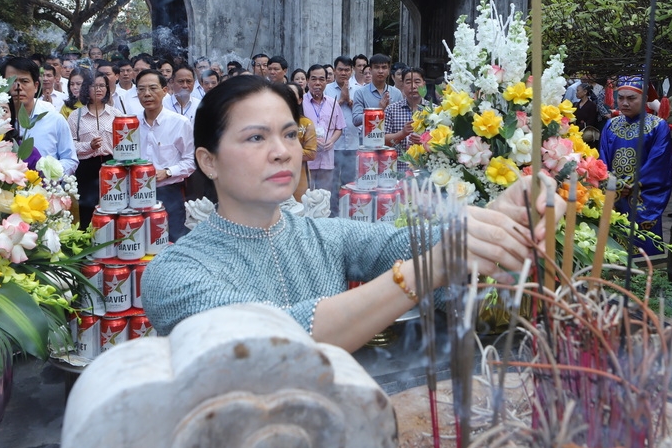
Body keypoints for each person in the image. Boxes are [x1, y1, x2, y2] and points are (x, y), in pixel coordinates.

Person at [141, 76, 562, 352]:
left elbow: (414, 241)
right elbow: (269, 340)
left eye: (290, 134)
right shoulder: (175, 272)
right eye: (256, 137)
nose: (282, 151)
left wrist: (497, 217)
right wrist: (423, 272)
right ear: (208, 161)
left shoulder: (324, 236)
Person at [599, 76, 672, 254]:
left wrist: (631, 185)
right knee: (614, 245)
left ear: (645, 98)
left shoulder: (658, 126)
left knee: (642, 244)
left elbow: (658, 162)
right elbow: (602, 159)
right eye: (621, 97)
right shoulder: (610, 125)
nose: (624, 103)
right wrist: (610, 183)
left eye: (631, 98)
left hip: (642, 195)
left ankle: (645, 277)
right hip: (613, 193)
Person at [135, 70, 196, 239]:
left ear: (165, 91)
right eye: (141, 89)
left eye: (153, 88)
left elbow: (191, 160)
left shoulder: (179, 122)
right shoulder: (130, 124)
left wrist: (168, 171)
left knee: (172, 241)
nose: (147, 94)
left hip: (169, 193)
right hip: (136, 193)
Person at [0, 57, 78, 175]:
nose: (18, 87)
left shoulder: (54, 120)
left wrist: (47, 174)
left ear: (36, 86)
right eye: (12, 81)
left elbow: (70, 160)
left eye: (24, 81)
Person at [68, 72, 121, 228]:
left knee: (112, 208)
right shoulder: (75, 116)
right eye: (94, 85)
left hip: (111, 165)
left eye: (102, 86)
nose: (98, 89)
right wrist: (89, 146)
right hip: (86, 168)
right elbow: (70, 147)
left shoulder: (115, 114)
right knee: (87, 210)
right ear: (86, 89)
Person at [325, 56, 360, 215]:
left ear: (352, 71)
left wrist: (352, 103)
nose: (343, 73)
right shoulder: (327, 90)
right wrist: (340, 101)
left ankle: (350, 213)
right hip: (333, 144)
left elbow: (362, 117)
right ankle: (332, 213)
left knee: (350, 182)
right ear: (334, 70)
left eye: (347, 70)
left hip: (353, 143)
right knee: (332, 183)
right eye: (340, 69)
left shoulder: (359, 90)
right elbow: (324, 116)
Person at [301, 65, 343, 194]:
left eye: (321, 79)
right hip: (307, 159)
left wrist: (332, 141)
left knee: (324, 197)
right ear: (308, 80)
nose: (317, 83)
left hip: (327, 158)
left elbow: (339, 128)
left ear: (326, 81)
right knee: (305, 197)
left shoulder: (333, 102)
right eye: (313, 79)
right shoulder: (300, 102)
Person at [384, 67, 428, 168]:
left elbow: (443, 142)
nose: (413, 86)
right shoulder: (391, 110)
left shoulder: (435, 111)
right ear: (402, 85)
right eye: (408, 82)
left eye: (417, 82)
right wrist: (402, 133)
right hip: (398, 170)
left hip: (426, 172)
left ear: (424, 84)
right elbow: (383, 141)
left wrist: (424, 141)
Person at [351, 53, 404, 133]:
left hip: (391, 141)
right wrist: (378, 111)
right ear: (370, 70)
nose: (380, 71)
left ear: (389, 70)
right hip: (369, 140)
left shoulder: (396, 93)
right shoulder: (360, 93)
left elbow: (401, 119)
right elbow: (356, 120)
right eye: (376, 67)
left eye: (384, 67)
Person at [287, 82, 318, 202]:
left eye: (291, 96)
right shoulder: (272, 123)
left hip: (300, 177)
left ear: (300, 100)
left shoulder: (306, 124)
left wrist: (286, 151)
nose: (288, 99)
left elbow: (311, 153)